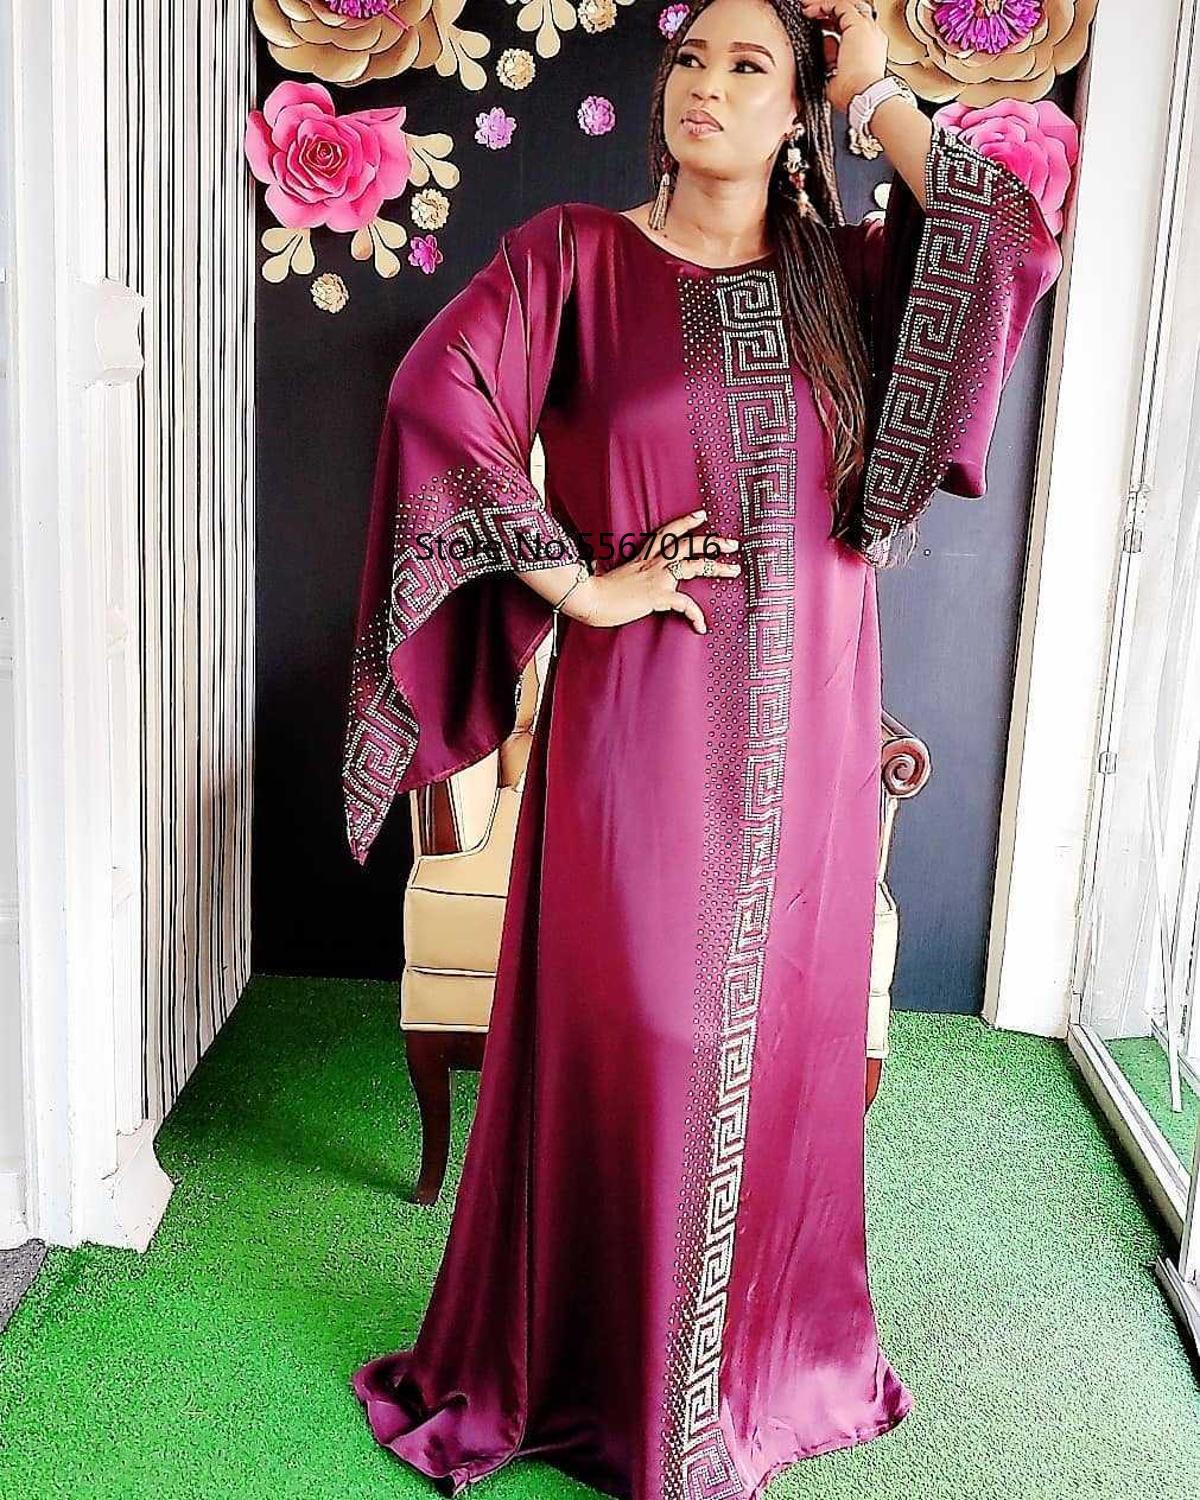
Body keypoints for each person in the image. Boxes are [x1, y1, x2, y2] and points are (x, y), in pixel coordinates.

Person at [341, 1, 1067, 1495]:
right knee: (648, 1032)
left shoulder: (850, 280)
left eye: (751, 67)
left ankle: (755, 1368)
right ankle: (612, 1382)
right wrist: (576, 582)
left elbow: (1005, 237)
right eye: (691, 59)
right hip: (643, 724)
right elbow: (435, 397)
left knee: (780, 1044)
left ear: (796, 104)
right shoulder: (572, 259)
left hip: (812, 742)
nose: (708, 88)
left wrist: (876, 92)